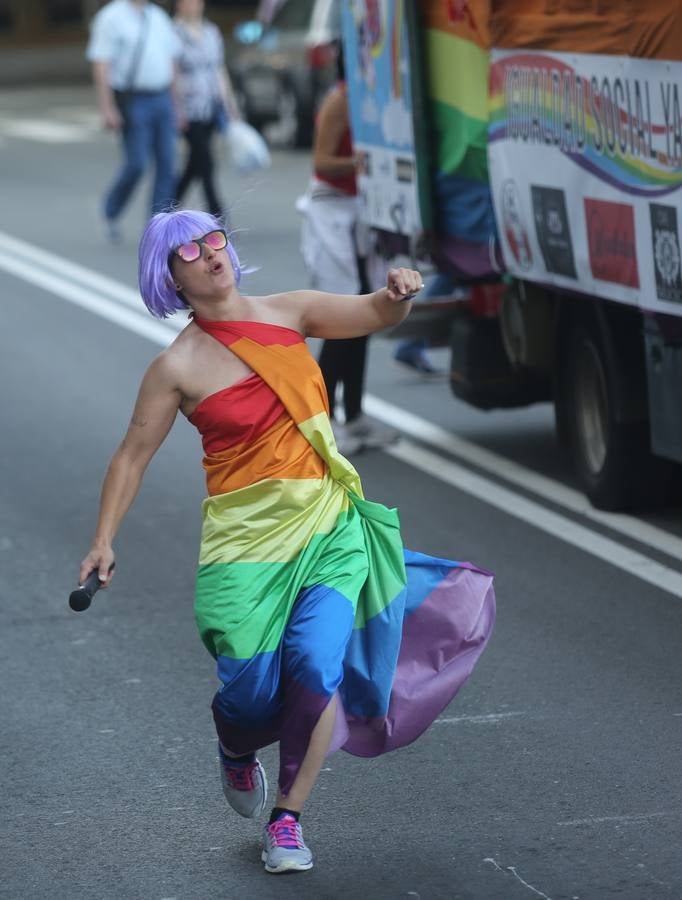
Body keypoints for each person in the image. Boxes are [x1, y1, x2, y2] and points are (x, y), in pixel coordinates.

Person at [78, 209, 496, 875]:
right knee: (244, 695)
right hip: (243, 544)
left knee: (314, 666)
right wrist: (103, 540)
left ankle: (289, 819)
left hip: (327, 526)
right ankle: (237, 749)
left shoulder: (290, 312)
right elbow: (131, 457)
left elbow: (369, 314)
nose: (211, 253)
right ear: (170, 277)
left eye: (214, 239)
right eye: (189, 250)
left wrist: (394, 296)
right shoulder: (175, 367)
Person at [298, 55, 395, 455]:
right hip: (331, 208)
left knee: (364, 315)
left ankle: (353, 415)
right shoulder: (340, 101)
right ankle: (321, 425)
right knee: (340, 321)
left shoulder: (367, 98)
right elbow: (321, 161)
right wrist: (358, 162)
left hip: (357, 212)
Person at [87, 0, 180, 241]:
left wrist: (178, 105)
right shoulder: (111, 17)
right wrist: (107, 107)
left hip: (162, 97)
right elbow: (101, 64)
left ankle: (158, 228)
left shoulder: (158, 15)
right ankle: (110, 209)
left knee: (167, 164)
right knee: (137, 164)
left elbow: (171, 61)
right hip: (133, 99)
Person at [172, 0, 240, 219]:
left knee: (195, 164)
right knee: (205, 162)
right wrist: (177, 109)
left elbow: (219, 69)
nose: (193, 6)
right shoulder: (173, 32)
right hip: (189, 105)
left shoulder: (211, 32)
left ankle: (166, 208)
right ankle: (218, 216)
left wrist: (229, 103)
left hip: (211, 104)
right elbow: (172, 72)